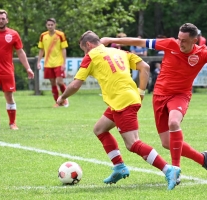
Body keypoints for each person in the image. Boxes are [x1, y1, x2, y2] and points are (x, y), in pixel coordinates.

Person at [100, 23, 207, 184]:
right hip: (159, 96)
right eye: (179, 39)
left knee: (174, 122)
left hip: (180, 96)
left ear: (195, 40)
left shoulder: (202, 53)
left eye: (184, 41)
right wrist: (111, 39)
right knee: (167, 143)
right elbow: (141, 42)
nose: (180, 43)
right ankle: (203, 159)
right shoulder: (170, 43)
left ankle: (175, 169)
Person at [57, 30, 181, 190]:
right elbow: (145, 67)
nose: (84, 53)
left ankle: (169, 169)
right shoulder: (119, 51)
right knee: (99, 129)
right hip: (124, 100)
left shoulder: (91, 56)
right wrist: (141, 91)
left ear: (88, 45)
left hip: (122, 102)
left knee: (133, 143)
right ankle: (119, 167)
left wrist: (62, 97)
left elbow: (75, 84)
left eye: (84, 50)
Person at [37, 18, 69, 108]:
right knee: (53, 83)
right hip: (48, 63)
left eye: (52, 25)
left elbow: (63, 49)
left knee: (59, 82)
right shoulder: (43, 35)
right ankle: (57, 102)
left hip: (58, 62)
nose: (50, 26)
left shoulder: (60, 35)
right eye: (48, 25)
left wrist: (64, 63)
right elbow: (41, 49)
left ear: (55, 25)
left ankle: (65, 98)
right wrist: (39, 61)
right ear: (46, 25)